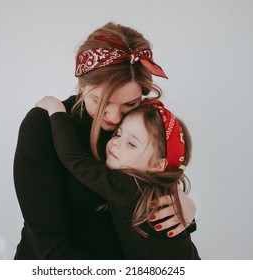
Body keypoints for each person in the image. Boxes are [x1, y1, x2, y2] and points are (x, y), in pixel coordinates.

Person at [13, 22, 196, 259]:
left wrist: (183, 209)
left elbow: (161, 178)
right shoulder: (43, 126)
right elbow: (50, 249)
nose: (114, 117)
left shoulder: (139, 126)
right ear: (82, 83)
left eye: (129, 104)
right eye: (100, 102)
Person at [36, 96, 200, 259]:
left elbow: (75, 159)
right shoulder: (161, 191)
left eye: (132, 144)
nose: (116, 143)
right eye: (118, 134)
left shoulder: (129, 187)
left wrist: (56, 110)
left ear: (158, 165)